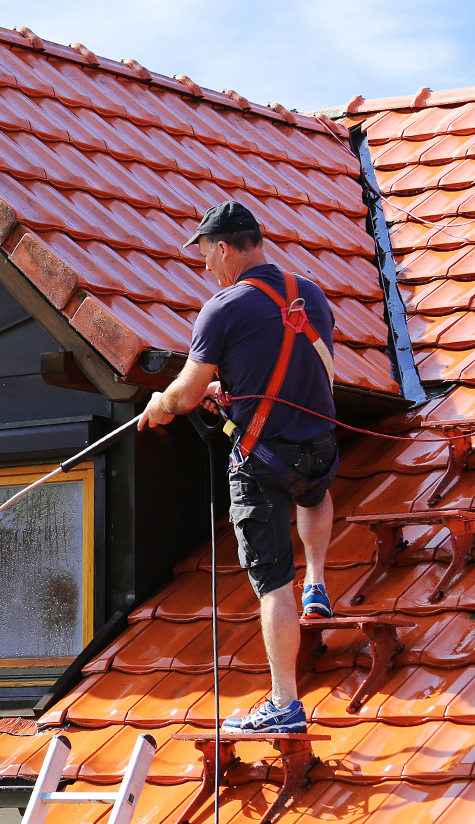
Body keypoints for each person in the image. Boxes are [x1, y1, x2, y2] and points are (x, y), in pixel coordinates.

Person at [138, 200, 338, 735]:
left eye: (205, 253)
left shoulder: (222, 309)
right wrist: (236, 391)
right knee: (315, 496)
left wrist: (160, 402)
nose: (205, 266)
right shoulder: (311, 293)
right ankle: (318, 584)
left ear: (223, 248)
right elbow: (305, 365)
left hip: (263, 459)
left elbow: (184, 394)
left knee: (273, 580)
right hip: (319, 448)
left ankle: (285, 703)